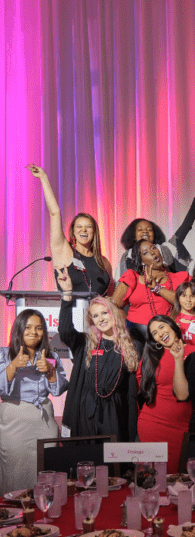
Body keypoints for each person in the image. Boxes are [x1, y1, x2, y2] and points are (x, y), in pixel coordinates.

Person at [56, 268, 139, 441]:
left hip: (114, 414)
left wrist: (131, 432)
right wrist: (67, 295)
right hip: (85, 411)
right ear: (91, 320)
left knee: (111, 463)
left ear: (113, 314)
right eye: (95, 315)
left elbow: (130, 394)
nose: (100, 318)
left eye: (104, 313)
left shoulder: (131, 347)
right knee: (87, 459)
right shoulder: (86, 343)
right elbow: (65, 331)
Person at [0, 310, 68, 494]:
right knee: (14, 476)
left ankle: (43, 513)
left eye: (39, 328)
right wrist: (13, 366)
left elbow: (59, 389)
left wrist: (50, 371)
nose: (33, 332)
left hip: (44, 424)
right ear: (19, 329)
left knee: (44, 476)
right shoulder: (4, 354)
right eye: (28, 327)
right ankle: (14, 517)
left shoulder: (50, 357)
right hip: (13, 425)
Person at [28, 164, 113, 296]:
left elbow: (110, 296)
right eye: (79, 226)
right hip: (71, 313)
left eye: (88, 227)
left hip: (97, 316)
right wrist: (43, 178)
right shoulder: (64, 250)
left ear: (94, 232)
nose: (83, 230)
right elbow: (55, 213)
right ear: (73, 231)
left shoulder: (104, 262)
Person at [137, 315, 195, 473]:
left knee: (180, 480)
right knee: (156, 480)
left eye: (162, 327)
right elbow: (141, 383)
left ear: (173, 326)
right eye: (154, 333)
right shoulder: (152, 357)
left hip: (184, 428)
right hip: (153, 425)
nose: (160, 333)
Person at [117, 186, 195, 275]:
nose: (145, 232)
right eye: (140, 229)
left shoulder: (165, 250)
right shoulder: (127, 256)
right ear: (133, 235)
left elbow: (185, 226)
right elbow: (122, 284)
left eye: (149, 229)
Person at [112, 240, 190, 345]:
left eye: (153, 248)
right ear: (141, 261)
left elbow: (184, 302)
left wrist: (157, 288)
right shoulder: (132, 277)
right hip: (137, 337)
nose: (153, 252)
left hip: (168, 336)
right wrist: (127, 327)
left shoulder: (178, 278)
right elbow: (114, 306)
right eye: (145, 253)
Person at [171, 282, 195, 351]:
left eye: (192, 296)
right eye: (184, 296)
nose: (188, 300)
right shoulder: (172, 320)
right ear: (178, 299)